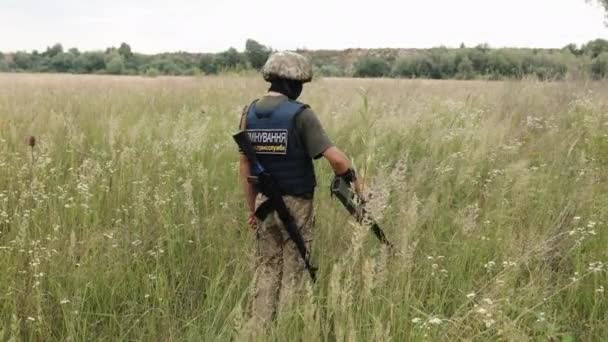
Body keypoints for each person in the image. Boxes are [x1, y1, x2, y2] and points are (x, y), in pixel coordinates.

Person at [238, 51, 362, 335]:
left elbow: (245, 166)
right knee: (296, 268)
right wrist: (357, 184)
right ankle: (288, 331)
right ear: (295, 84)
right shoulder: (300, 114)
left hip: (263, 203)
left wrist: (250, 209)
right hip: (296, 203)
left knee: (268, 268)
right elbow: (338, 160)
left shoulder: (249, 113)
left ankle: (259, 330)